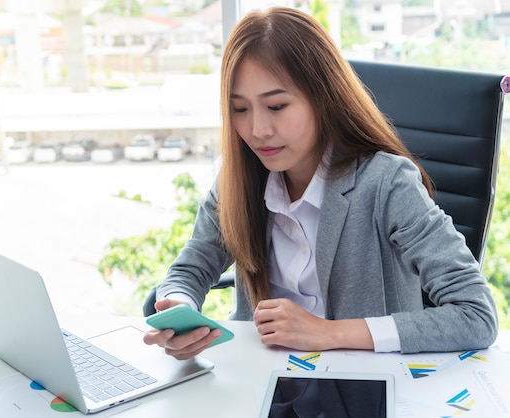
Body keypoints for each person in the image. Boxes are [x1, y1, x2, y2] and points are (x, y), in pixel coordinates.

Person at [143, 6, 498, 361]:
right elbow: (190, 269)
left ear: (323, 98)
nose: (257, 130)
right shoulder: (240, 179)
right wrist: (179, 307)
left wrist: (326, 333)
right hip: (259, 376)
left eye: (277, 106)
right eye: (240, 109)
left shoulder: (386, 183)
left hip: (360, 386)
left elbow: (477, 315)